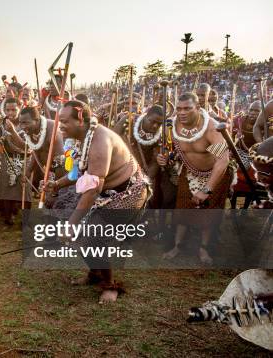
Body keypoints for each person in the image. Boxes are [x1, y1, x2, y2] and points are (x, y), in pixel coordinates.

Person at [53, 100, 151, 303]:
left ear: (80, 120)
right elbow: (78, 172)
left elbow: (93, 189)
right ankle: (95, 273)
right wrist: (55, 185)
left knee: (93, 237)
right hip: (106, 194)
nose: (60, 125)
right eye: (59, 121)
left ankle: (109, 285)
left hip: (129, 193)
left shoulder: (99, 140)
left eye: (64, 121)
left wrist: (72, 224)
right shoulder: (83, 138)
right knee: (81, 235)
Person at [161, 93, 232, 264]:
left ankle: (204, 249)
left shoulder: (212, 128)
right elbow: (170, 150)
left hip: (215, 173)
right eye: (179, 109)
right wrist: (164, 158)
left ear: (198, 108)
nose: (182, 112)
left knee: (209, 213)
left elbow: (223, 160)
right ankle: (178, 245)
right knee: (182, 209)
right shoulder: (171, 126)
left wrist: (207, 189)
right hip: (189, 171)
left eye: (187, 108)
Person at [0, 97, 29, 226]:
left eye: (13, 109)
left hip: (24, 158)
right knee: (5, 187)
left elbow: (26, 146)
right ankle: (8, 217)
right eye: (7, 110)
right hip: (7, 158)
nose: (10, 113)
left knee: (25, 190)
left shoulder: (26, 123)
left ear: (19, 108)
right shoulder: (1, 123)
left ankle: (26, 219)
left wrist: (13, 131)